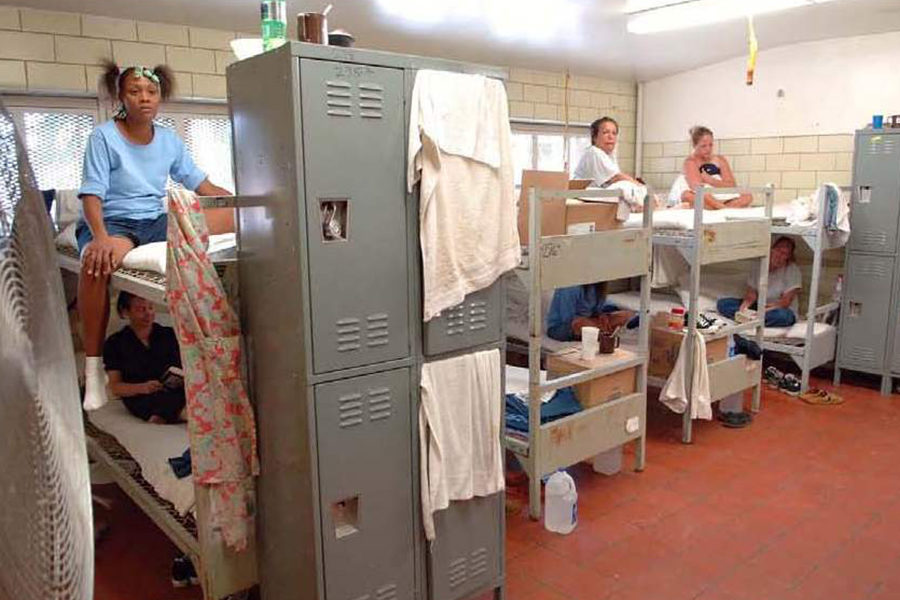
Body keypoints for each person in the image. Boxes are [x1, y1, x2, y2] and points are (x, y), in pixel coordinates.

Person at [78, 62, 233, 410]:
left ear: (160, 97)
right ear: (121, 96)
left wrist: (243, 202)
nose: (144, 99)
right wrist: (99, 237)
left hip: (154, 218)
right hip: (114, 221)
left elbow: (203, 186)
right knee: (95, 264)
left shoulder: (168, 140)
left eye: (151, 92)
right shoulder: (103, 136)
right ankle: (92, 370)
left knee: (235, 214)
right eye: (135, 92)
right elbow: (91, 195)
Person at [103, 292, 186, 424]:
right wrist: (143, 387)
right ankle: (171, 414)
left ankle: (170, 414)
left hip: (176, 390)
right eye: (141, 310)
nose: (148, 313)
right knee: (161, 401)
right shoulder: (115, 343)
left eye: (151, 307)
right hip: (142, 396)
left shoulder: (169, 334)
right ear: (125, 312)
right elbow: (115, 387)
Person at [716, 237, 801, 328]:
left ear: (788, 257)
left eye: (784, 254)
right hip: (759, 305)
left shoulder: (792, 270)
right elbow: (750, 296)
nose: (779, 256)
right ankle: (749, 319)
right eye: (778, 251)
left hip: (779, 309)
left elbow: (784, 302)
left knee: (783, 316)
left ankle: (751, 321)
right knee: (723, 303)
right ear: (772, 250)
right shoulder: (759, 265)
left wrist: (762, 312)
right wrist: (743, 309)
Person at [573, 116, 648, 211]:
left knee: (628, 187)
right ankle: (645, 204)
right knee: (625, 186)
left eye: (614, 133)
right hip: (584, 197)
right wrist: (641, 186)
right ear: (595, 137)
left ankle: (644, 205)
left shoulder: (610, 155)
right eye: (605, 132)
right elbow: (615, 177)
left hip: (597, 197)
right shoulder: (593, 152)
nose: (611, 136)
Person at [670, 126, 753, 210]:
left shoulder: (720, 160)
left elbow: (731, 185)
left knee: (747, 196)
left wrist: (711, 180)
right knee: (687, 196)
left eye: (710, 145)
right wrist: (715, 201)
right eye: (703, 146)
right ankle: (721, 207)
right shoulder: (690, 161)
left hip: (718, 192)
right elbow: (696, 188)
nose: (708, 149)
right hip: (702, 195)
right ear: (695, 146)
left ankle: (714, 208)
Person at [546, 282, 637, 342]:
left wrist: (602, 316)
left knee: (626, 314)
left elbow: (599, 308)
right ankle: (606, 335)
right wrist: (594, 322)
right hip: (562, 327)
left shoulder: (598, 285)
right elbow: (567, 318)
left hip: (590, 320)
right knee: (580, 323)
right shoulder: (571, 285)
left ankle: (604, 332)